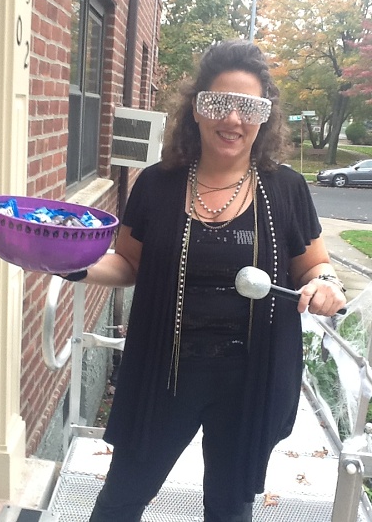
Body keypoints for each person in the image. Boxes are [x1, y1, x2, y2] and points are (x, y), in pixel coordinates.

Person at [63, 40, 346, 521]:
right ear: (196, 109)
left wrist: (327, 284)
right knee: (121, 498)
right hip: (165, 371)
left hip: (250, 378)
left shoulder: (286, 189)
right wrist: (71, 263)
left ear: (264, 117)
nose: (232, 119)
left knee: (229, 509)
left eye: (248, 107)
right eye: (218, 103)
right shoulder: (157, 184)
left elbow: (314, 266)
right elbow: (128, 263)